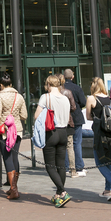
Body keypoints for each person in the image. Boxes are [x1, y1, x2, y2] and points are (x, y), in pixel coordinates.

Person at [36, 74, 72, 208]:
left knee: (50, 165)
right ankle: (58, 194)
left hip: (51, 132)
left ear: (48, 85)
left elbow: (36, 115)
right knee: (61, 165)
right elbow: (68, 116)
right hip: (63, 132)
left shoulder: (46, 97)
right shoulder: (66, 98)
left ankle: (62, 191)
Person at [0, 72, 27, 200]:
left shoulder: (0, 96)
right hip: (17, 130)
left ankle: (13, 190)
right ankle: (14, 187)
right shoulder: (19, 96)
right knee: (15, 156)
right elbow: (24, 115)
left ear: (0, 85)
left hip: (5, 130)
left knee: (6, 157)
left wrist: (0, 122)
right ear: (11, 84)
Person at [85, 78, 111, 201]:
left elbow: (89, 116)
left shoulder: (92, 98)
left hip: (99, 132)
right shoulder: (109, 98)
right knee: (108, 160)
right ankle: (107, 190)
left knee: (99, 162)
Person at [63, 69, 87, 178]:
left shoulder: (61, 89)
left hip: (64, 118)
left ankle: (66, 166)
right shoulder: (77, 88)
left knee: (65, 143)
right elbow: (83, 102)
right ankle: (78, 166)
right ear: (72, 77)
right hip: (76, 117)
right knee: (76, 142)